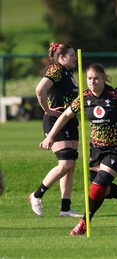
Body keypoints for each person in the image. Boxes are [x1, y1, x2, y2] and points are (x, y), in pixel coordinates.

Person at [39, 63, 117, 235]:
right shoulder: (84, 98)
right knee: (101, 189)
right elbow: (66, 115)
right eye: (89, 78)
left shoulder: (116, 95)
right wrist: (50, 135)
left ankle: (83, 223)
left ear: (104, 78)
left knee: (97, 188)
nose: (93, 82)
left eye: (96, 78)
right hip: (96, 149)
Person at [29, 42, 82, 217]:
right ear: (61, 58)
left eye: (75, 54)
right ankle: (36, 196)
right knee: (65, 163)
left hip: (71, 121)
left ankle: (65, 208)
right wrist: (47, 110)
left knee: (71, 165)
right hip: (56, 120)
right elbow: (39, 90)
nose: (74, 58)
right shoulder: (56, 70)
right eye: (71, 55)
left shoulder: (68, 72)